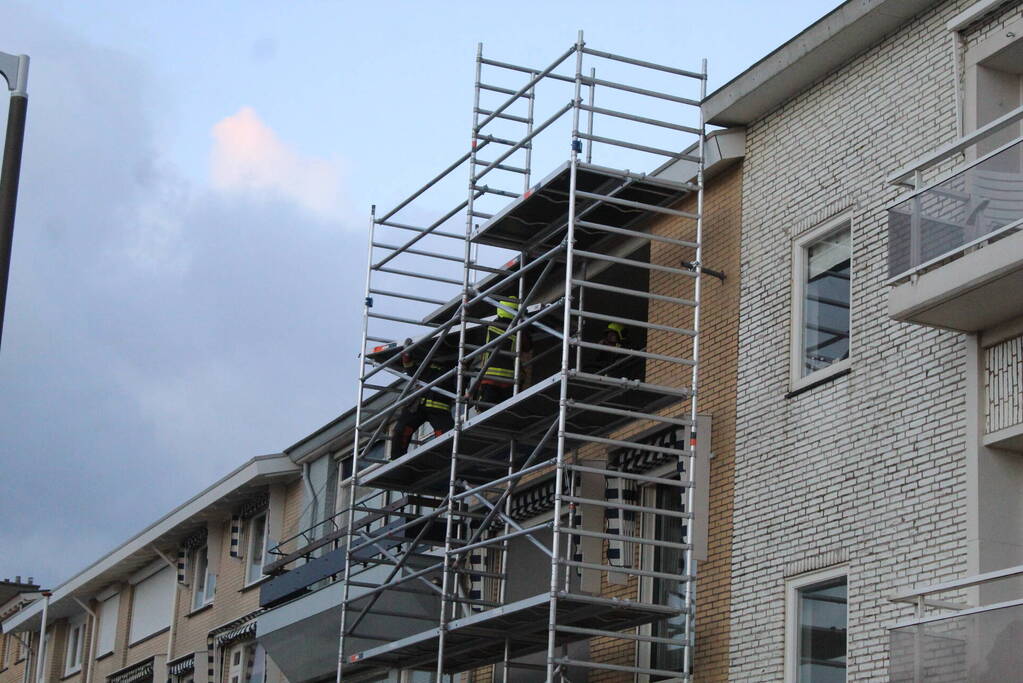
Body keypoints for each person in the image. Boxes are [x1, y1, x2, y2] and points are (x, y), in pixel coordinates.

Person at [389, 349, 454, 460]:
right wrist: (407, 359)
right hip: (417, 405)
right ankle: (396, 460)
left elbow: (460, 385)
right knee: (400, 430)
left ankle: (445, 459)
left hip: (438, 407)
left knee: (446, 435)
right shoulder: (427, 364)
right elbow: (413, 372)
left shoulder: (453, 366)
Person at [478, 297, 532, 406]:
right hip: (509, 381)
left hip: (489, 379)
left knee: (486, 409)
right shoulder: (519, 331)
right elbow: (528, 347)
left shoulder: (488, 328)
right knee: (508, 409)